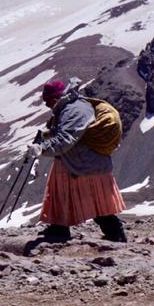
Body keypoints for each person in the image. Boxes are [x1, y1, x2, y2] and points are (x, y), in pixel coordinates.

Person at [27, 78, 127, 243]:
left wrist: (41, 148)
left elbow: (66, 138)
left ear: (54, 98)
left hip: (84, 163)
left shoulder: (74, 110)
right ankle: (59, 227)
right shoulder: (69, 107)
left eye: (47, 101)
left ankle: (115, 232)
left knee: (95, 199)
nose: (47, 105)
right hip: (78, 161)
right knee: (65, 194)